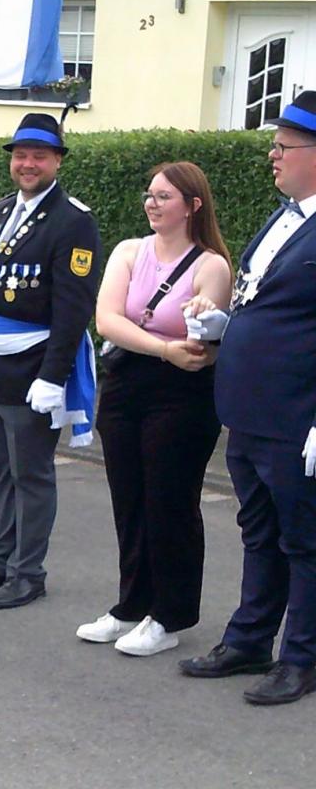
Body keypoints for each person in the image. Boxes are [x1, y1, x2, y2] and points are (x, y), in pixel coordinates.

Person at [179, 91, 316, 705]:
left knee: (304, 539)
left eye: (284, 147)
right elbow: (269, 305)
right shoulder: (286, 214)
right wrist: (225, 328)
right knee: (258, 531)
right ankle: (250, 639)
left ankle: (302, 657)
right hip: (251, 408)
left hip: (297, 415)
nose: (272, 155)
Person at [0, 113, 101, 607]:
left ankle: (28, 572)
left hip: (33, 366)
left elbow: (74, 308)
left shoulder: (73, 220)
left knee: (31, 474)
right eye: (20, 155)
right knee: (1, 470)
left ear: (56, 160)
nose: (27, 164)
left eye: (38, 156)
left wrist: (54, 376)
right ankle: (0, 561)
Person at [77, 162, 231, 656]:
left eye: (164, 196)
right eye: (150, 195)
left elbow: (203, 333)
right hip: (127, 384)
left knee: (170, 501)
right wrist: (163, 346)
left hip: (181, 395)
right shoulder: (128, 251)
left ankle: (171, 614)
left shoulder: (211, 264)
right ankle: (130, 606)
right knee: (130, 497)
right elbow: (106, 319)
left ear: (193, 205)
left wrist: (203, 316)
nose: (152, 203)